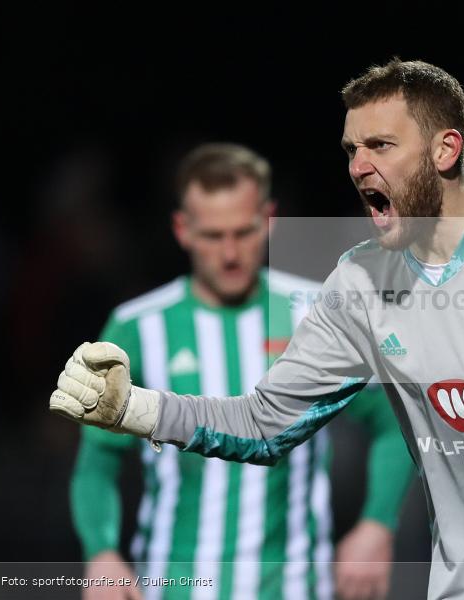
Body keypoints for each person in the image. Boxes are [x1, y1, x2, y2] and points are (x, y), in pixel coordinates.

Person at [52, 61, 464, 600]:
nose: (357, 165)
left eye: (379, 145)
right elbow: (264, 424)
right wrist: (134, 407)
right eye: (351, 149)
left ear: (446, 149)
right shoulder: (360, 285)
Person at [67, 143, 415, 600]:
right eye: (212, 235)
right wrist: (101, 554)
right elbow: (97, 462)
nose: (230, 253)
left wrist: (377, 525)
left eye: (244, 231)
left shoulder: (318, 314)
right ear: (182, 229)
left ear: (269, 218)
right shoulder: (136, 328)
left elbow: (394, 419)